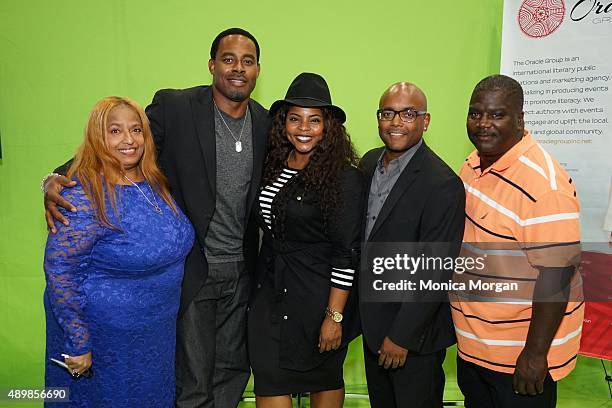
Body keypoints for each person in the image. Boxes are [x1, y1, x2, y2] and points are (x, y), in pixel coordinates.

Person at [42, 28, 269, 407]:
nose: (238, 68)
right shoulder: (175, 107)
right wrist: (55, 178)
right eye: (228, 59)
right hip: (194, 269)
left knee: (231, 371)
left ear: (258, 70)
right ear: (212, 65)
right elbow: (118, 141)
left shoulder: (265, 121)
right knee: (192, 379)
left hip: (241, 271)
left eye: (247, 61)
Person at [44, 96, 195, 406]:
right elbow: (60, 269)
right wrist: (78, 342)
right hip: (103, 342)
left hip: (154, 336)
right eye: (115, 131)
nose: (129, 140)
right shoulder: (83, 193)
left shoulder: (155, 181)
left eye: (136, 130)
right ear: (98, 136)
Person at [450, 74, 583, 407]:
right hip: (475, 348)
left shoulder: (544, 188)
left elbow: (557, 277)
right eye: (475, 112)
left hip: (518, 359)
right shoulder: (472, 165)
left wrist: (535, 354)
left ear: (520, 118)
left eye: (497, 114)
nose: (483, 124)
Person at [247, 72, 363, 408]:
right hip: (269, 297)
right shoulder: (270, 165)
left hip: (318, 304)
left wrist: (334, 317)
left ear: (328, 126)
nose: (303, 128)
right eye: (295, 118)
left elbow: (345, 253)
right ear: (283, 123)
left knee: (323, 377)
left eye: (314, 120)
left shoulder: (344, 178)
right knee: (269, 381)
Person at [358, 82, 465, 408]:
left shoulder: (442, 183)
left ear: (426, 120)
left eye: (408, 114)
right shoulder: (368, 163)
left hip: (413, 339)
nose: (395, 122)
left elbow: (435, 270)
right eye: (387, 113)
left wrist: (401, 336)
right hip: (373, 328)